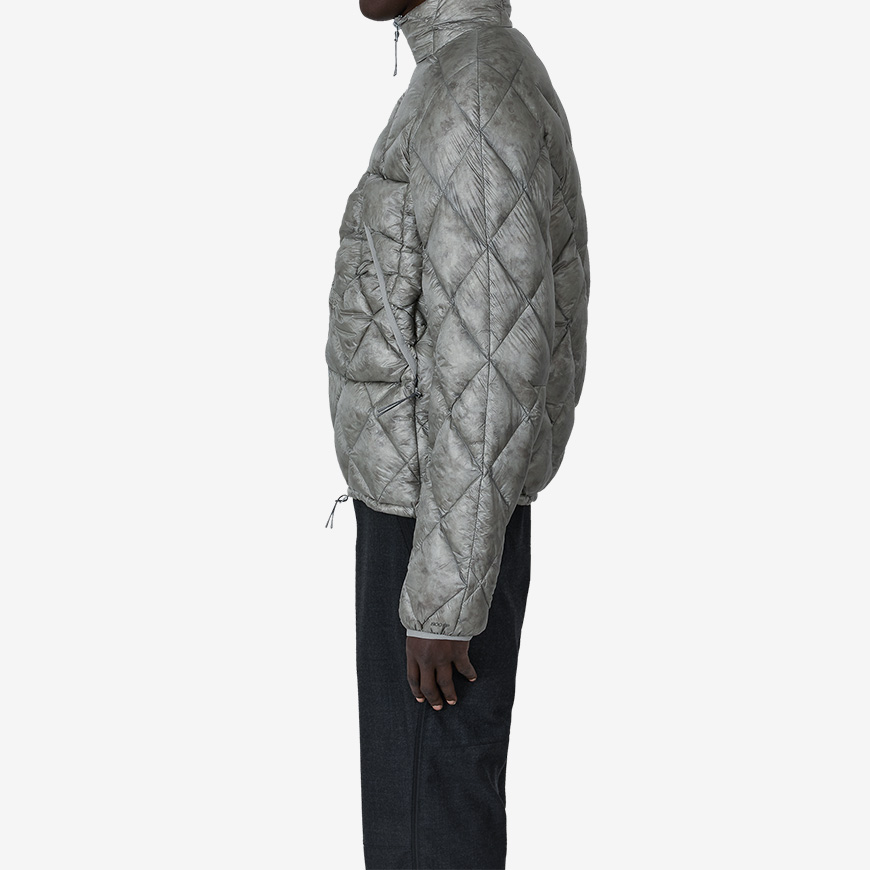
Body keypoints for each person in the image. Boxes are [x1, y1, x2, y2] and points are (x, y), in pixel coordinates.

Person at [325, 1, 590, 867]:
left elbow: (490, 361)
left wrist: (444, 600)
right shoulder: (465, 73)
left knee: (427, 825)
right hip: (440, 519)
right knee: (423, 811)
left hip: (436, 533)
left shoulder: (471, 92)